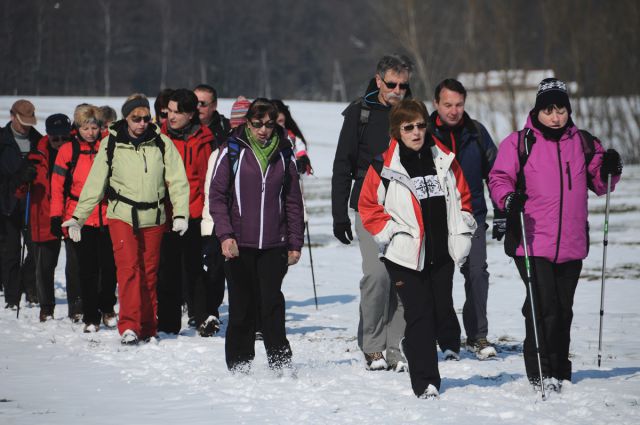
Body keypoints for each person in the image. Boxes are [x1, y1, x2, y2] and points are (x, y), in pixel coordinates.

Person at [489, 78, 623, 392]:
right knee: (543, 307)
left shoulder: (584, 143)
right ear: (538, 111)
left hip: (572, 244)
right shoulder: (519, 143)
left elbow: (600, 183)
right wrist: (509, 199)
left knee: (563, 309)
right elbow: (499, 178)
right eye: (549, 110)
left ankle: (561, 372)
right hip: (531, 241)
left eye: (561, 109)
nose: (556, 117)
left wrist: (611, 169)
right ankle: (541, 373)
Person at [359, 99, 476, 398]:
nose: (416, 132)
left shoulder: (444, 159)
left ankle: (411, 345)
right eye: (408, 127)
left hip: (441, 253)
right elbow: (368, 206)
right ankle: (426, 383)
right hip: (404, 256)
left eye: (421, 125)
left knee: (438, 312)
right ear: (397, 131)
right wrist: (392, 234)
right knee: (420, 314)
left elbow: (463, 197)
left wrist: (461, 233)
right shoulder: (383, 165)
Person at [62, 94, 189, 345]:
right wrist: (78, 217)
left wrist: (182, 213)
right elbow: (95, 183)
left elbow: (177, 181)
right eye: (135, 118)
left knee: (149, 273)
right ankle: (129, 325)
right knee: (129, 269)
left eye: (145, 118)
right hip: (122, 215)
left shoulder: (161, 143)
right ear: (126, 118)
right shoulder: (111, 144)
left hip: (154, 216)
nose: (141, 123)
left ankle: (148, 326)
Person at [331, 54, 413, 371]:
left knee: (403, 279)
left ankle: (395, 347)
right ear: (378, 80)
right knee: (377, 275)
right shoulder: (359, 114)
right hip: (368, 204)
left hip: (406, 208)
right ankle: (373, 347)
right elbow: (342, 165)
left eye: (403, 85)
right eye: (391, 84)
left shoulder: (413, 114)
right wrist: (339, 214)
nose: (397, 90)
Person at [209, 98, 304, 372]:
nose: (263, 130)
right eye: (257, 124)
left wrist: (295, 242)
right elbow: (217, 196)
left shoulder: (285, 153)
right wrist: (225, 235)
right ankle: (239, 364)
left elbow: (293, 201)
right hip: (238, 243)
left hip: (275, 243)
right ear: (247, 122)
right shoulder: (232, 150)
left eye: (269, 124)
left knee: (272, 303)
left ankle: (280, 362)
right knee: (241, 306)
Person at [429, 78, 498, 360]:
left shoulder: (477, 133)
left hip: (473, 218)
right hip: (436, 219)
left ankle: (477, 336)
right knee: (437, 280)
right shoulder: (424, 132)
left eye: (459, 104)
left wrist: (502, 211)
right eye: (448, 105)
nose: (454, 110)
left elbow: (496, 174)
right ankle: (441, 335)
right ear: (436, 104)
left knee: (477, 274)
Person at [51, 105, 118, 332]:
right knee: (87, 269)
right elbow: (58, 186)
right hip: (79, 216)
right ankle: (91, 316)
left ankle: (107, 307)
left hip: (108, 214)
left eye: (94, 127)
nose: (90, 132)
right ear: (77, 127)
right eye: (85, 128)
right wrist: (55, 216)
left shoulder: (107, 146)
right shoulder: (68, 151)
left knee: (109, 268)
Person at [157, 88, 217, 336]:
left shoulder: (205, 139)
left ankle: (203, 317)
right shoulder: (158, 137)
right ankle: (168, 323)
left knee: (194, 268)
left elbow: (207, 177)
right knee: (167, 269)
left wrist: (206, 213)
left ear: (191, 114)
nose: (171, 117)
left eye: (177, 112)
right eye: (169, 111)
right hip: (166, 213)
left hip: (194, 212)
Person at [28, 114, 72, 321]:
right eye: (56, 139)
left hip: (72, 213)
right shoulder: (36, 154)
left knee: (77, 266)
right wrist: (23, 178)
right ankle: (46, 307)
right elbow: (19, 192)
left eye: (65, 137)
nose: (61, 143)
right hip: (44, 215)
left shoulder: (77, 150)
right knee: (45, 266)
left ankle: (78, 306)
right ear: (48, 135)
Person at [0, 99, 41, 310]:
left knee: (35, 251)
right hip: (7, 205)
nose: (26, 126)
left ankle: (29, 285)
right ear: (12, 116)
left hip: (32, 206)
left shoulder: (38, 140)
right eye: (22, 121)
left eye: (29, 122)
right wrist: (19, 175)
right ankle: (12, 297)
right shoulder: (2, 140)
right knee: (11, 252)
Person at [271, 99, 313, 175]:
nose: (279, 126)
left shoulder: (292, 137)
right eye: (274, 122)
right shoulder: (264, 138)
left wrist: (302, 160)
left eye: (281, 121)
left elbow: (300, 150)